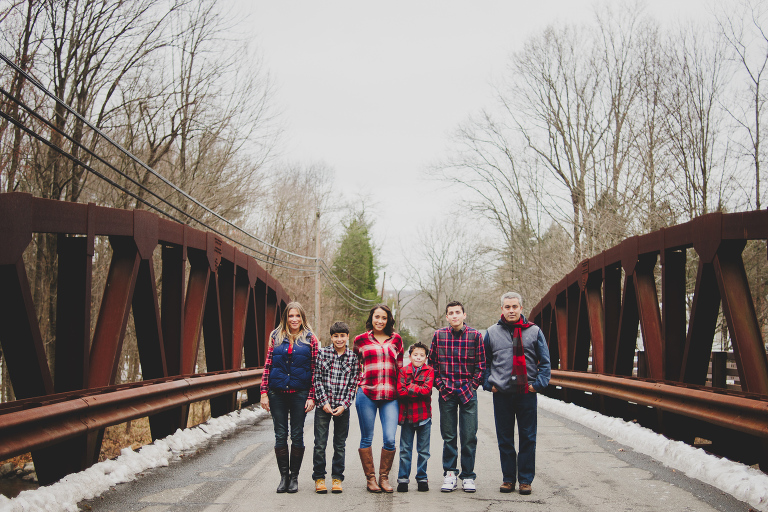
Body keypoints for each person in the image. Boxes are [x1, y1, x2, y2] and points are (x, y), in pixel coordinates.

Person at [483, 292, 551, 496]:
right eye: (507, 307)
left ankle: (525, 480)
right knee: (505, 438)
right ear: (501, 309)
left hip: (526, 393)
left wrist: (537, 385)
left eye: (514, 307)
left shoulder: (534, 331)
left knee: (528, 437)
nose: (511, 310)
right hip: (502, 393)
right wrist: (488, 384)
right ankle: (508, 479)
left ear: (521, 309)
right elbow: (483, 362)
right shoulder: (492, 332)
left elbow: (545, 362)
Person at [427, 300, 485, 493]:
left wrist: (472, 386)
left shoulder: (475, 336)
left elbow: (481, 366)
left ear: (464, 315)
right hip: (447, 393)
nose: (454, 316)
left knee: (469, 436)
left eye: (457, 312)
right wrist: (441, 386)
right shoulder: (439, 335)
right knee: (449, 436)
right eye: (450, 313)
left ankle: (468, 476)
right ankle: (450, 473)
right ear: (446, 316)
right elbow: (432, 365)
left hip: (468, 393)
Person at [260, 302, 318, 494]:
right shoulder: (275, 336)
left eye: (298, 316)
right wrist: (263, 392)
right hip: (277, 393)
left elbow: (315, 369)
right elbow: (268, 365)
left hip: (300, 393)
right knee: (280, 435)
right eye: (291, 316)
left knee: (297, 434)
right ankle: (283, 477)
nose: (294, 320)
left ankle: (294, 477)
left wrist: (312, 396)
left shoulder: (311, 338)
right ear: (285, 317)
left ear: (303, 318)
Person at [354, 303, 403, 493]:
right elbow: (355, 365)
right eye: (377, 317)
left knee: (390, 438)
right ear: (371, 318)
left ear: (388, 320)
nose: (380, 321)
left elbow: (399, 368)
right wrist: (359, 382)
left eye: (384, 318)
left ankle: (384, 478)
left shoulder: (396, 340)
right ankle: (370, 479)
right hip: (366, 393)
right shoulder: (360, 340)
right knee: (367, 438)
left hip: (390, 396)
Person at [312, 321, 360, 494]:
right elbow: (317, 378)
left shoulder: (353, 358)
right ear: (331, 337)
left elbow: (353, 383)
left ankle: (337, 478)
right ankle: (319, 477)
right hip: (323, 406)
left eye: (342, 336)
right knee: (320, 443)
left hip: (342, 407)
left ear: (348, 337)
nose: (339, 339)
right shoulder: (322, 353)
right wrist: (323, 402)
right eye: (336, 336)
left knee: (339, 445)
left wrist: (344, 405)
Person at [396, 342, 434, 493]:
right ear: (410, 355)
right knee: (405, 450)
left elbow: (427, 391)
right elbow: (400, 392)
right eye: (415, 355)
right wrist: (417, 389)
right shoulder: (403, 371)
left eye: (422, 355)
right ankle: (403, 479)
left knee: (423, 450)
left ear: (426, 357)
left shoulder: (430, 371)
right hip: (407, 417)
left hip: (424, 416)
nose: (418, 357)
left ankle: (422, 478)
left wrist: (410, 387)